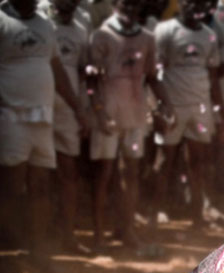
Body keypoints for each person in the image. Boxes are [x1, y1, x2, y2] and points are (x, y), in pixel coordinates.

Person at [0, 0, 86, 253]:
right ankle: (12, 250)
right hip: (11, 116)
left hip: (43, 119)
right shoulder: (2, 21)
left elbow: (57, 70)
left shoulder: (45, 24)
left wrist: (77, 108)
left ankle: (37, 249)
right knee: (12, 186)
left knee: (41, 185)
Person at [88, 0, 173, 248]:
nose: (130, 9)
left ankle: (126, 230)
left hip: (135, 116)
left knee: (131, 173)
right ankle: (98, 234)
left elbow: (152, 78)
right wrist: (99, 112)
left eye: (135, 6)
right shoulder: (101, 36)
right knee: (103, 173)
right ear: (115, 5)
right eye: (126, 4)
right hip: (109, 115)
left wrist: (166, 104)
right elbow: (91, 82)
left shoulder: (146, 38)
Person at [152, 0, 224, 226]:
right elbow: (154, 72)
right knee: (165, 159)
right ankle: (156, 210)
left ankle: (197, 214)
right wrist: (157, 106)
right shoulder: (165, 31)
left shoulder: (209, 35)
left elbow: (213, 75)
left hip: (200, 105)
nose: (194, 7)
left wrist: (218, 107)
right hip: (173, 104)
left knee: (198, 161)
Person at [48, 0, 89, 252]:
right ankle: (37, 238)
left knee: (68, 174)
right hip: (36, 104)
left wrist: (83, 110)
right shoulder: (41, 20)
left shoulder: (81, 27)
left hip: (69, 111)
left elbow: (83, 73)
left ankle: (67, 236)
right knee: (37, 176)